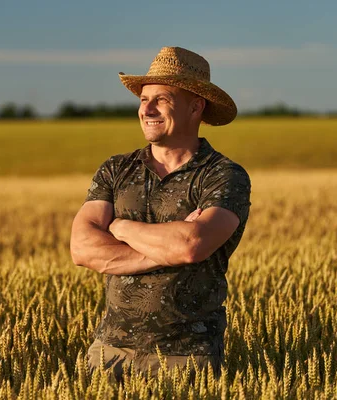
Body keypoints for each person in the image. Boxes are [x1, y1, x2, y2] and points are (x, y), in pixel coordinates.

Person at [70, 46, 251, 380]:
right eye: (143, 100)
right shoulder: (116, 169)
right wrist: (167, 248)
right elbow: (82, 249)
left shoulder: (223, 175)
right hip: (109, 352)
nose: (147, 109)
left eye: (161, 99)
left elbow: (191, 246)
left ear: (196, 106)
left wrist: (119, 227)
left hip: (187, 357)